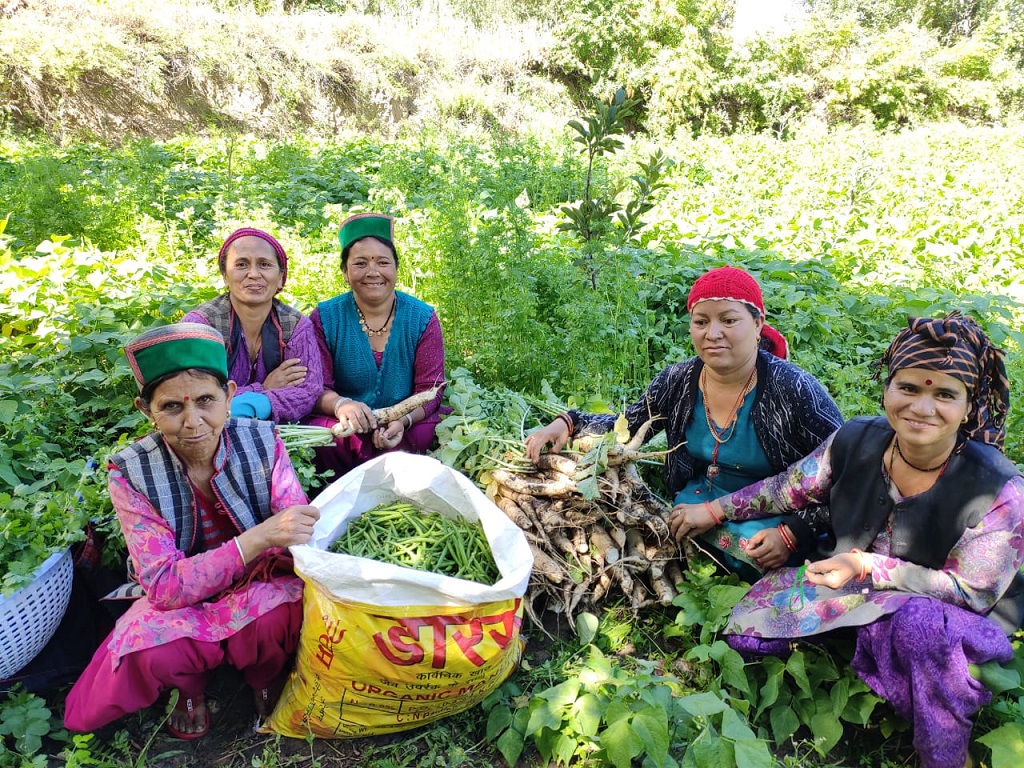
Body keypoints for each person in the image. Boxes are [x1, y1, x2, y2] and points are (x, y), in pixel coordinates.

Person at [670, 311, 1024, 768]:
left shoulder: (998, 488)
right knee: (749, 635)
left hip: (948, 613)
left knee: (916, 627)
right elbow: (787, 488)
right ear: (888, 387)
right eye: (909, 388)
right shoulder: (857, 439)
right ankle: (864, 653)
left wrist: (866, 567)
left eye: (945, 394)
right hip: (857, 587)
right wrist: (715, 509)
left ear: (970, 405)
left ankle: (944, 751)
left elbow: (971, 594)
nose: (922, 407)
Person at [63, 323, 320, 739]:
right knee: (156, 647)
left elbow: (295, 525)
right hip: (179, 597)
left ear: (230, 396)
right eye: (171, 408)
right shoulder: (130, 472)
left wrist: (279, 539)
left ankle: (264, 675)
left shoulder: (262, 440)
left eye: (206, 401)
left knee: (284, 613)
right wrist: (258, 538)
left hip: (258, 580)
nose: (193, 422)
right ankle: (189, 689)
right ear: (146, 411)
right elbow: (164, 586)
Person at [525, 266, 844, 577]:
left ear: (759, 324)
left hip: (773, 516)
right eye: (701, 321)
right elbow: (626, 428)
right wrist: (568, 423)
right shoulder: (677, 381)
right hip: (695, 508)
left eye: (729, 320)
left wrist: (793, 533)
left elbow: (848, 474)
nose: (712, 333)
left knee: (760, 558)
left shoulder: (795, 390)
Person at [307, 213, 446, 478]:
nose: (373, 272)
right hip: (346, 425)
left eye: (383, 262)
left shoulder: (422, 318)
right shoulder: (325, 317)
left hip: (405, 422)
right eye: (360, 263)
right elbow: (316, 386)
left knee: (428, 432)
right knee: (324, 439)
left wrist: (402, 420)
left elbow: (431, 389)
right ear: (345, 273)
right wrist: (341, 405)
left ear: (395, 269)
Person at [182, 227, 323, 422]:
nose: (254, 274)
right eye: (241, 265)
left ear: (281, 277)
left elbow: (307, 393)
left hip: (279, 435)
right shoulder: (201, 327)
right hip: (206, 434)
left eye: (264, 264)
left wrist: (240, 402)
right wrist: (263, 388)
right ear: (225, 275)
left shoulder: (296, 327)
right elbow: (194, 397)